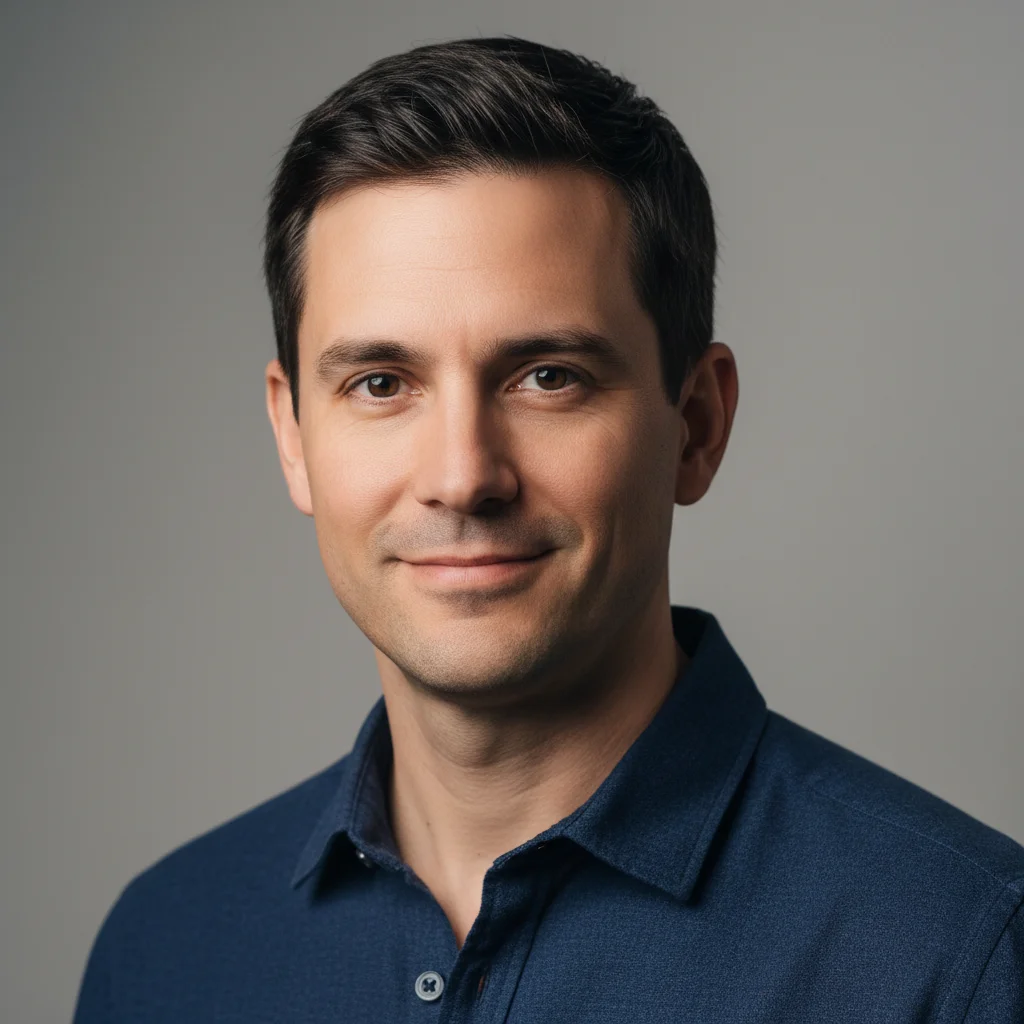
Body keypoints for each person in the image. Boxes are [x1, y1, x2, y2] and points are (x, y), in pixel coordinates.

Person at [72, 36, 1023, 1023]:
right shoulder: (165, 948)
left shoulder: (956, 956)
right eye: (381, 384)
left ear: (696, 424)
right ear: (293, 435)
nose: (462, 476)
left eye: (547, 377)